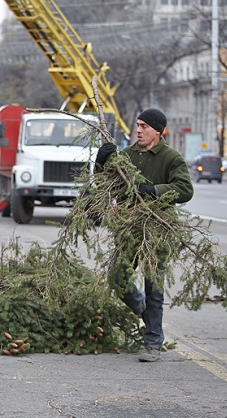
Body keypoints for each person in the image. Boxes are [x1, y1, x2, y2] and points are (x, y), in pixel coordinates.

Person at [95, 108, 193, 363]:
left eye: (144, 126)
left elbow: (184, 189)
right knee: (118, 278)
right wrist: (100, 162)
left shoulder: (172, 158)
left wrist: (154, 191)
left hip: (156, 231)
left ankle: (152, 344)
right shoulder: (127, 155)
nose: (138, 130)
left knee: (155, 289)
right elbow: (106, 185)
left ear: (158, 131)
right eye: (137, 125)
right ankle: (140, 307)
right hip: (129, 230)